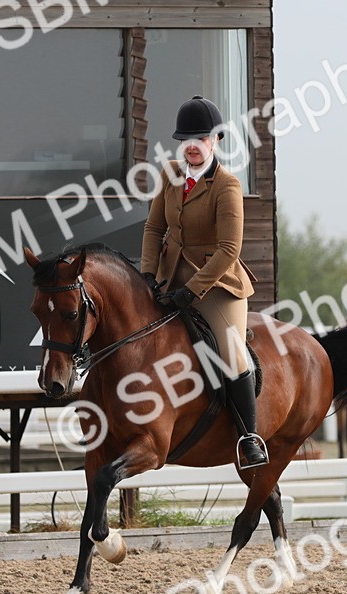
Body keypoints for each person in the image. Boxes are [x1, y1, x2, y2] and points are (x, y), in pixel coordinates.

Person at [139, 95, 267, 469]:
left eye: (200, 139)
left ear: (216, 140)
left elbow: (229, 249)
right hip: (169, 277)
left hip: (217, 284)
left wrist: (191, 291)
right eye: (186, 140)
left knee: (230, 352)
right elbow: (154, 228)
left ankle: (249, 437)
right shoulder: (170, 174)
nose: (192, 146)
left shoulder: (227, 185)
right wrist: (147, 274)